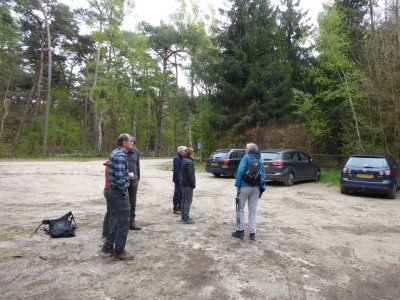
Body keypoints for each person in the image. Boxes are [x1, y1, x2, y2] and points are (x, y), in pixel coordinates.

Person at [102, 133, 134, 260]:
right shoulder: (120, 155)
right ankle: (119, 251)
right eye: (130, 141)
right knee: (123, 223)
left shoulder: (115, 152)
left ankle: (108, 246)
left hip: (112, 192)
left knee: (116, 220)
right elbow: (120, 180)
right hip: (118, 193)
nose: (132, 143)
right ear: (124, 143)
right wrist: (126, 187)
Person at [232, 143, 266, 241]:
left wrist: (238, 185)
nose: (245, 149)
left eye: (246, 147)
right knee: (252, 211)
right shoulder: (259, 159)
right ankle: (252, 233)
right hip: (256, 188)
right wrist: (262, 187)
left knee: (240, 208)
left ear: (249, 149)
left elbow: (240, 171)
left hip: (244, 186)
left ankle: (240, 230)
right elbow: (263, 174)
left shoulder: (246, 157)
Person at [127, 135, 142, 230]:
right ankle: (123, 221)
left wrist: (137, 178)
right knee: (123, 201)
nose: (131, 143)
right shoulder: (121, 151)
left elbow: (137, 165)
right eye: (130, 141)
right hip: (123, 180)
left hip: (133, 180)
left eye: (133, 142)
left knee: (132, 201)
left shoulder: (136, 151)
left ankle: (132, 221)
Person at [180, 147, 196, 224]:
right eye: (193, 153)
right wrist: (193, 184)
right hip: (188, 184)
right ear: (191, 153)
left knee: (183, 200)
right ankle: (186, 218)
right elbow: (190, 175)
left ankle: (183, 217)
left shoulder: (184, 160)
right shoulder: (189, 162)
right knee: (188, 201)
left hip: (183, 183)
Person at [172, 145, 187, 214]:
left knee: (181, 193)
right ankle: (175, 208)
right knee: (177, 193)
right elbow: (177, 170)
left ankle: (180, 207)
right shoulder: (177, 158)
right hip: (178, 179)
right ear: (181, 152)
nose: (186, 152)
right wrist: (179, 179)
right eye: (185, 151)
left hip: (182, 179)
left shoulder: (182, 158)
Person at [101, 160, 111, 238]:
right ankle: (106, 233)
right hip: (110, 191)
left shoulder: (109, 164)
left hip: (107, 190)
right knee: (111, 213)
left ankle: (105, 232)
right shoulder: (112, 166)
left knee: (109, 212)